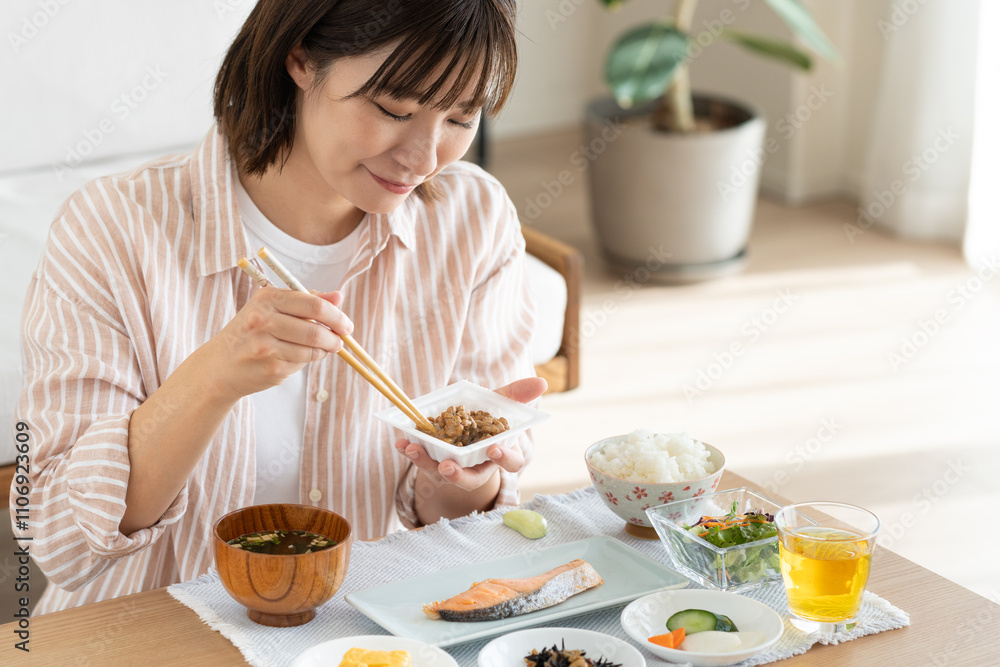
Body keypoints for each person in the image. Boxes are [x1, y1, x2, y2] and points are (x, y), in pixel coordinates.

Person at [14, 0, 544, 615]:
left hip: (346, 631)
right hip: (147, 629)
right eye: (394, 109)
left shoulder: (471, 220)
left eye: (460, 117)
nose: (423, 159)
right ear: (300, 57)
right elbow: (53, 534)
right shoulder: (112, 227)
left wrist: (466, 476)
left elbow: (450, 523)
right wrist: (212, 378)